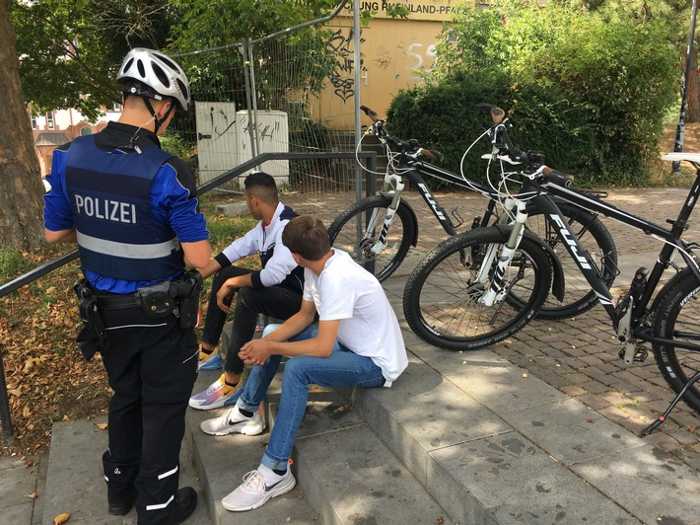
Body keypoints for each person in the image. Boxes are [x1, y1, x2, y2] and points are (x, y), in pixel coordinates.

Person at [43, 48, 209, 525]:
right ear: (162, 106)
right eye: (172, 111)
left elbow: (55, 232)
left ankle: (119, 490)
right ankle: (156, 508)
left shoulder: (71, 156)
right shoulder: (167, 171)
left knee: (125, 397)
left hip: (104, 314)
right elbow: (198, 259)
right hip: (160, 319)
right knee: (162, 408)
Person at [199, 216, 408, 512]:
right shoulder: (318, 265)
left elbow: (322, 348)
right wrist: (267, 343)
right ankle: (247, 412)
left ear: (296, 256)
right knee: (272, 331)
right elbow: (304, 316)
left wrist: (270, 347)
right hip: (349, 343)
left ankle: (275, 470)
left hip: (374, 362)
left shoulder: (337, 277)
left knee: (298, 368)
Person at [188, 172, 304, 411]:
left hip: (302, 303)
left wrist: (233, 284)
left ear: (254, 200)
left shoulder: (287, 227)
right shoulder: (264, 226)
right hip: (280, 291)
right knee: (225, 273)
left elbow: (272, 276)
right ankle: (208, 350)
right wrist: (194, 279)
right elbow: (232, 251)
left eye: (246, 200)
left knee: (247, 294)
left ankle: (231, 379)